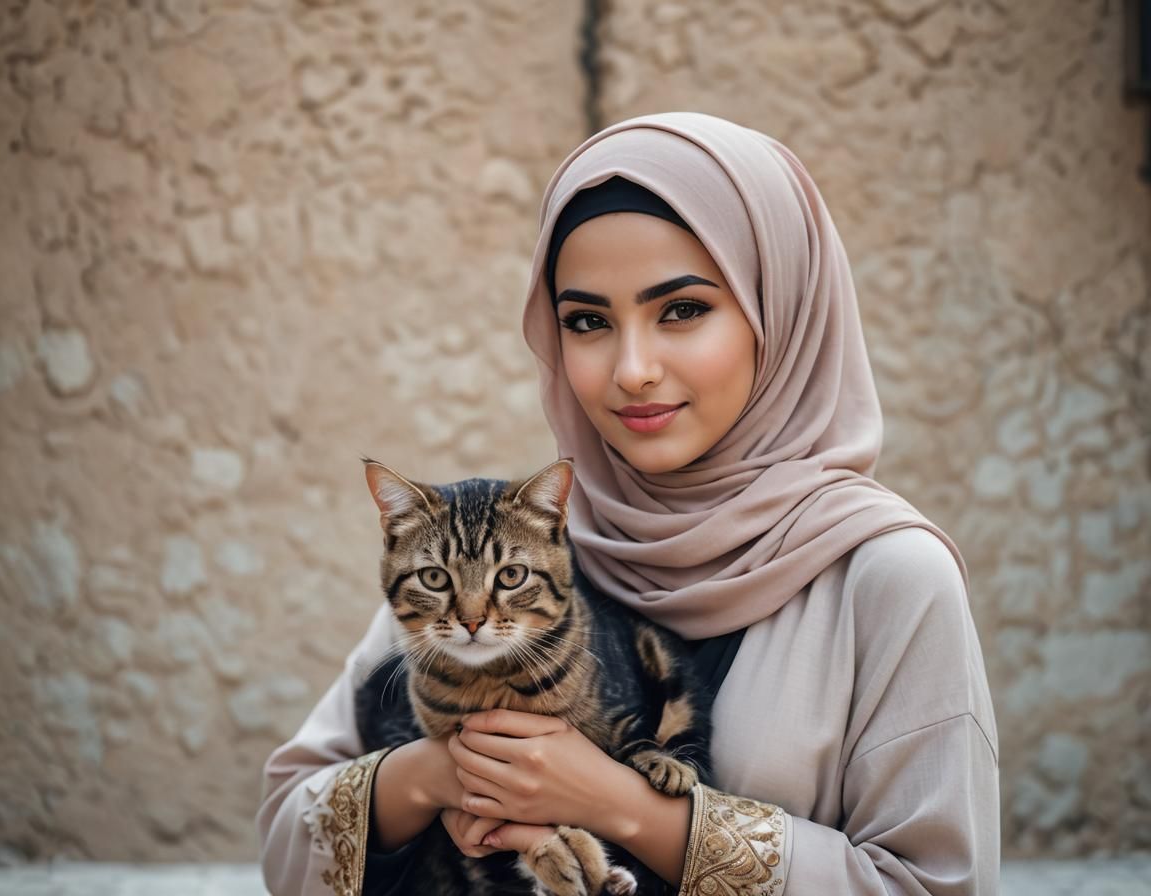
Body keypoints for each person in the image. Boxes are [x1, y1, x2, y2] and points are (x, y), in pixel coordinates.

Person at [258, 112, 999, 895]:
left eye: (682, 309)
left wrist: (625, 807)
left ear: (778, 310)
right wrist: (434, 775)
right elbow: (283, 836)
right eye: (587, 321)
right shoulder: (506, 553)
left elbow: (935, 886)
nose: (633, 369)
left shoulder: (887, 577)